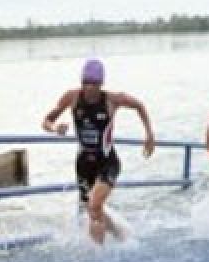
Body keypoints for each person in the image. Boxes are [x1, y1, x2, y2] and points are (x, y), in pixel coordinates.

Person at [41, 58, 155, 243]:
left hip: (107, 162)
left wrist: (149, 135)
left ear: (101, 83)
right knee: (92, 208)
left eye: (93, 83)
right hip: (84, 164)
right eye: (85, 82)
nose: (89, 88)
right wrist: (55, 128)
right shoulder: (72, 97)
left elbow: (139, 106)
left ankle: (98, 255)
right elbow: (46, 120)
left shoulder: (113, 99)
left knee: (94, 205)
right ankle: (120, 233)